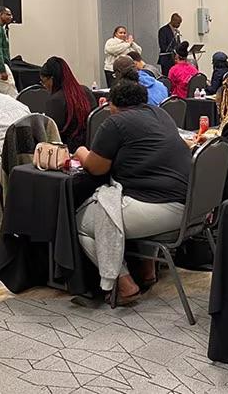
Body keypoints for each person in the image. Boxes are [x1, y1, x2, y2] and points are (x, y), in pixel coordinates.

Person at [74, 79, 191, 304]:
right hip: (190, 205)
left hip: (161, 207)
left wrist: (81, 152)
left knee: (82, 223)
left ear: (112, 105)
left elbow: (96, 167)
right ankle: (148, 271)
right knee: (128, 203)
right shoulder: (161, 114)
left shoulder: (115, 123)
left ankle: (125, 284)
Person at [40, 56, 97, 151]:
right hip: (91, 148)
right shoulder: (86, 91)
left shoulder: (55, 101)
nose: (44, 86)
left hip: (67, 152)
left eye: (43, 81)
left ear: (52, 79)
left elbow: (52, 134)